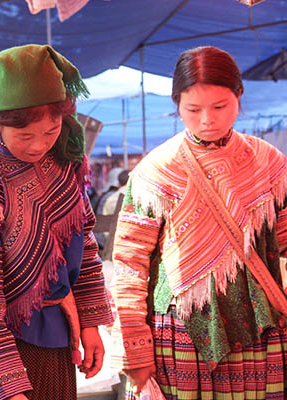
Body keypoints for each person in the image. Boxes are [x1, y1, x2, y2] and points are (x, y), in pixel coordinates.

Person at [0, 44, 114, 400]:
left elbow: (85, 242)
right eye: (25, 136)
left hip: (53, 338)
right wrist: (10, 389)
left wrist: (92, 322)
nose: (38, 146)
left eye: (50, 132)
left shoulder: (64, 162)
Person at [111, 45, 287, 399]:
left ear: (239, 95)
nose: (207, 119)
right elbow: (130, 264)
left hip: (260, 329)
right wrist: (134, 346)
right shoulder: (156, 172)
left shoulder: (270, 165)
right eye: (193, 109)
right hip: (179, 337)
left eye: (220, 106)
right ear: (177, 104)